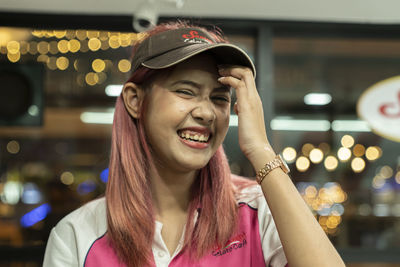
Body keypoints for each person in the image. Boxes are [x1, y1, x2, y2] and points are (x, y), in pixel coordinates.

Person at [43, 21, 345, 267]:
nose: (205, 112)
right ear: (135, 101)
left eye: (219, 98)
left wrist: (261, 150)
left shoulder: (256, 210)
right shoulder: (78, 236)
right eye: (186, 92)